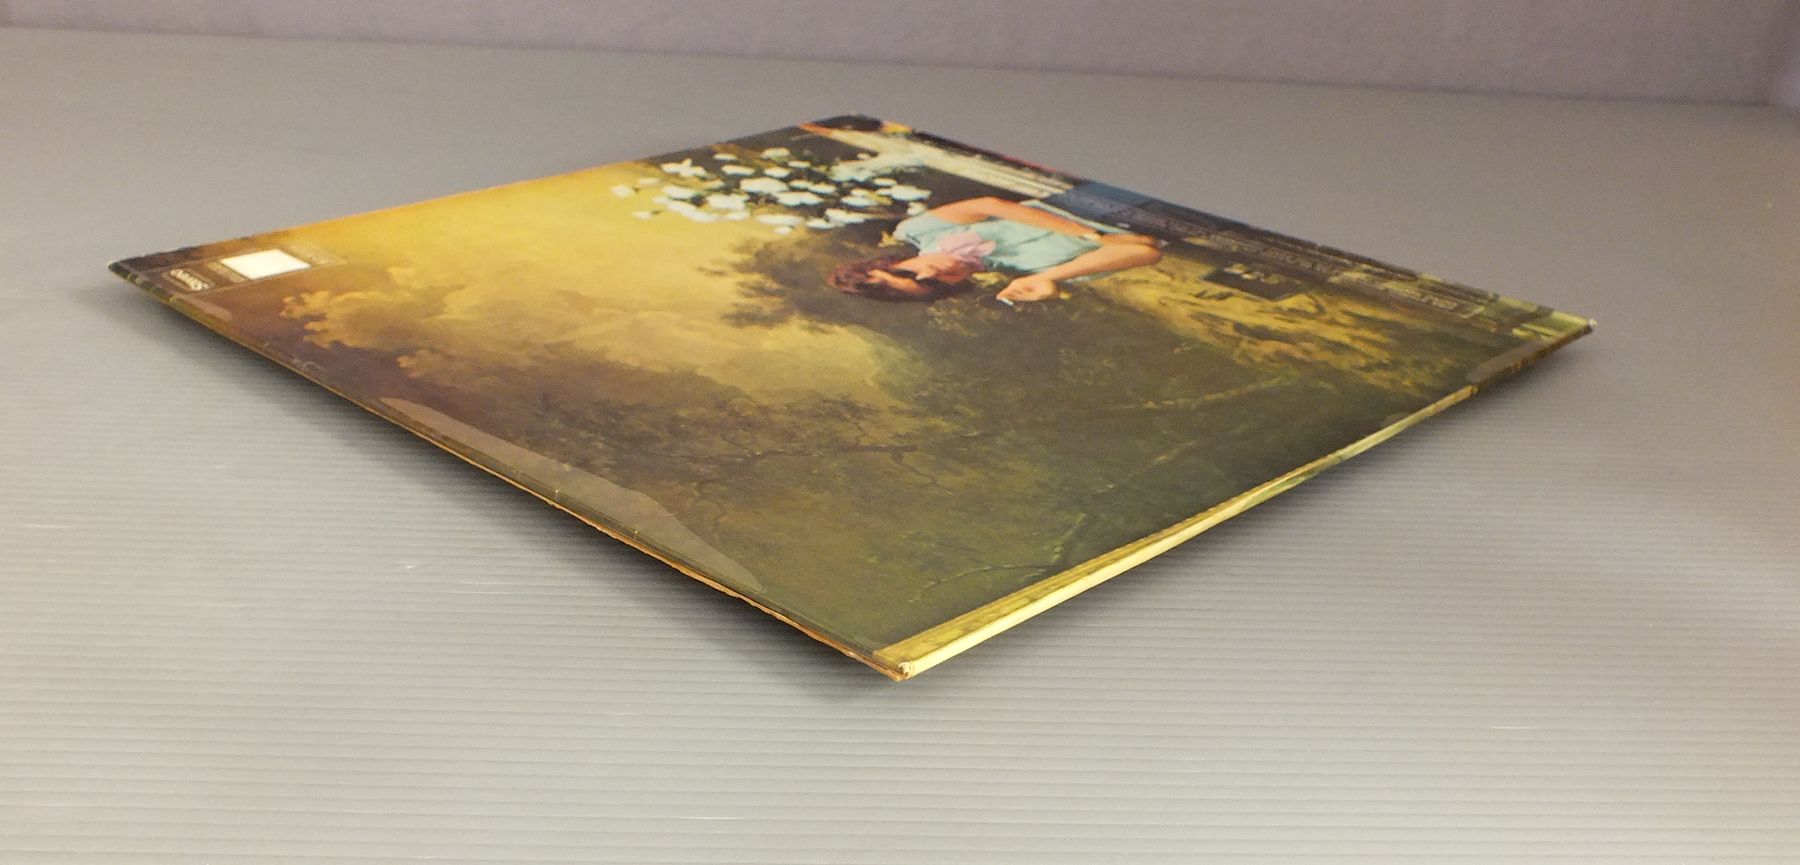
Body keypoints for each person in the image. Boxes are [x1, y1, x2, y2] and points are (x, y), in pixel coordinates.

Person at [827, 195, 1162, 303]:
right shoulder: (1026, 273)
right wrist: (1049, 277)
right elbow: (1147, 252)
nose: (930, 272)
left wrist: (1093, 236)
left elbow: (991, 205)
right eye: (932, 283)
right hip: (1154, 220)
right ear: (953, 287)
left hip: (1081, 199)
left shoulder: (919, 231)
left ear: (892, 261)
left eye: (908, 273)